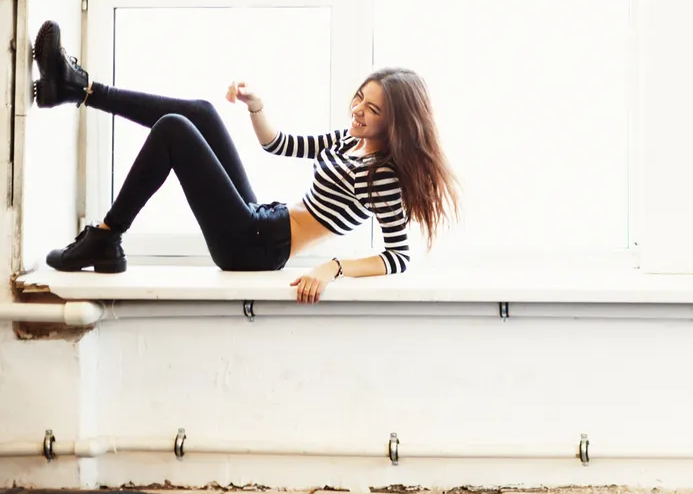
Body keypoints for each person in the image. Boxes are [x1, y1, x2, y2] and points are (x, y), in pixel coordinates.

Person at [31, 20, 461, 302]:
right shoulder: (351, 139)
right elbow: (279, 145)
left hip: (254, 246)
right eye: (359, 98)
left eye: (373, 110)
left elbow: (398, 255)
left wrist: (333, 268)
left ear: (397, 124)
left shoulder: (382, 175)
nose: (358, 111)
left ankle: (106, 237)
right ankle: (77, 89)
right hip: (261, 219)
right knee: (202, 112)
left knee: (174, 130)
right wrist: (257, 106)